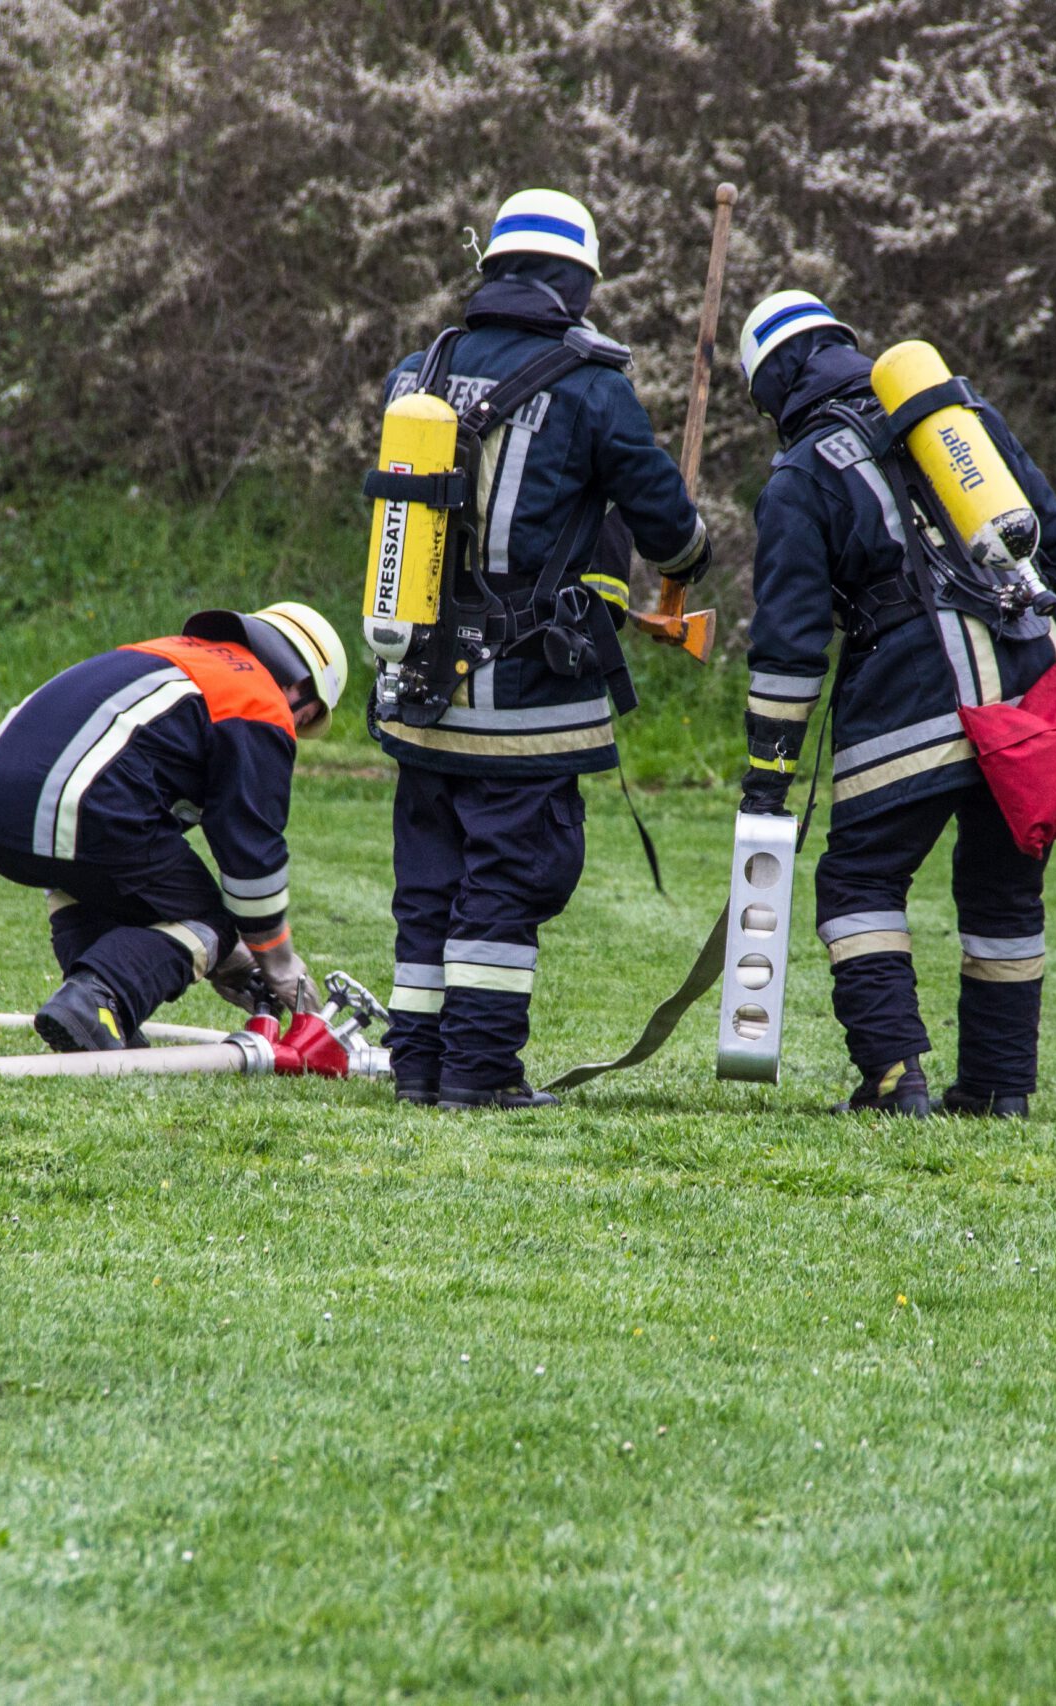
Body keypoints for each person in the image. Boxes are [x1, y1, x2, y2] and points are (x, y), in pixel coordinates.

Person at [733, 291, 1056, 1116]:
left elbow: (789, 646)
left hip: (909, 702)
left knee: (859, 885)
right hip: (1031, 692)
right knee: (1005, 891)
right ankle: (998, 1089)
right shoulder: (958, 420)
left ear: (773, 387)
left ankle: (893, 1080)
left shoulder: (801, 474)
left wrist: (768, 773)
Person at [370, 189, 706, 1111]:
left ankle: (417, 1070)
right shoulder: (590, 384)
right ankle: (478, 1077)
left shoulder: (419, 370)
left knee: (428, 883)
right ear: (576, 282)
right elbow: (668, 527)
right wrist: (691, 560)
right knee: (510, 880)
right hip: (523, 693)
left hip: (418, 682)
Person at [0, 602, 346, 1050]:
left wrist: (223, 959)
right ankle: (99, 998)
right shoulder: (257, 699)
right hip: (80, 807)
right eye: (307, 719)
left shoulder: (170, 655)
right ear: (301, 692)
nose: (296, 728)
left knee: (99, 876)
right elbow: (251, 854)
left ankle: (100, 1016)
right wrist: (276, 963)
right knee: (211, 918)